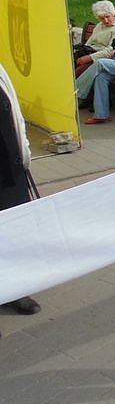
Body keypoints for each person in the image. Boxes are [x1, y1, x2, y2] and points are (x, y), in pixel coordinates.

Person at [0, 62, 42, 327]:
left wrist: (24, 150)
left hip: (8, 166)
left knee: (14, 228)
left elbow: (13, 111)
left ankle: (14, 289)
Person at [74, 1, 115, 76]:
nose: (105, 21)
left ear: (113, 14)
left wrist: (88, 58)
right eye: (102, 18)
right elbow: (89, 42)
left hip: (102, 58)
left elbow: (111, 50)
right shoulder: (100, 25)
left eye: (107, 17)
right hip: (89, 52)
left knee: (78, 71)